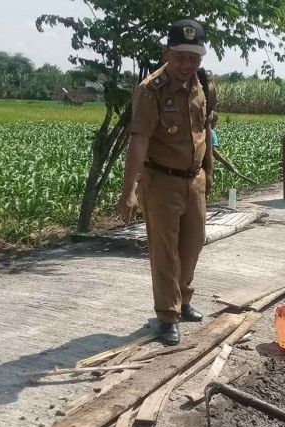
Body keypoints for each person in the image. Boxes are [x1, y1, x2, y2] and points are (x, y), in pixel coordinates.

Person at [115, 19, 212, 346]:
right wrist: (128, 191)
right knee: (165, 251)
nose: (188, 64)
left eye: (194, 57)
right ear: (166, 52)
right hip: (161, 182)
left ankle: (183, 299)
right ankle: (167, 315)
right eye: (181, 56)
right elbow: (138, 141)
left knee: (194, 243)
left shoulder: (202, 84)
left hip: (193, 180)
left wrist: (208, 171)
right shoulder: (150, 90)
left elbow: (204, 131)